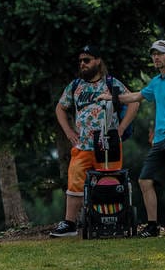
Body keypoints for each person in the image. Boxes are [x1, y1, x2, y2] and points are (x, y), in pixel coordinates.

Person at [107, 40, 165, 237]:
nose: (156, 57)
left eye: (161, 53)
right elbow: (137, 96)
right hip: (160, 141)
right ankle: (153, 226)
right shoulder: (157, 81)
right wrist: (112, 98)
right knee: (145, 180)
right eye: (154, 54)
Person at [50, 45, 138, 238]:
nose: (83, 64)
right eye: (80, 61)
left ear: (98, 61)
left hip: (107, 143)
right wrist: (68, 131)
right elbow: (60, 108)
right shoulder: (75, 86)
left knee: (110, 182)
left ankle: (114, 220)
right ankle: (70, 223)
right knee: (74, 182)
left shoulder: (111, 83)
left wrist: (122, 127)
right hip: (83, 144)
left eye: (87, 60)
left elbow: (134, 101)